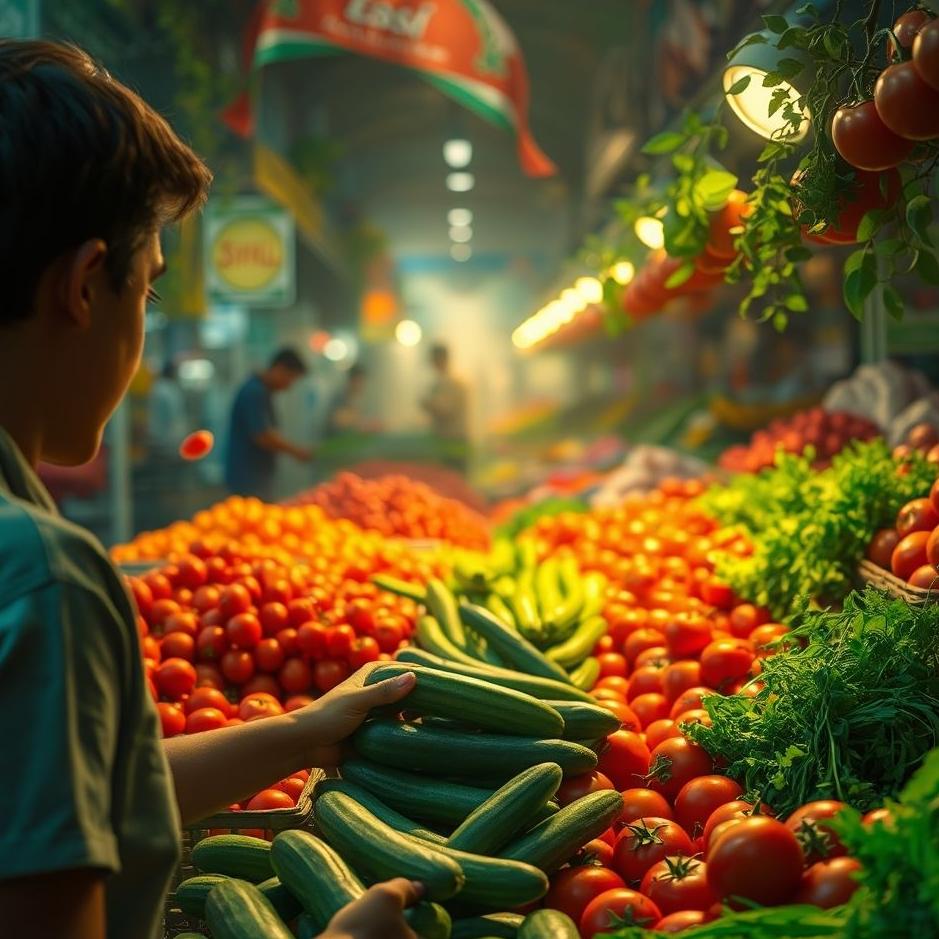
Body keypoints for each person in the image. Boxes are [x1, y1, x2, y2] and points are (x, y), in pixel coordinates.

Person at [0, 39, 421, 939]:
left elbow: (89, 795)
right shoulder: (43, 578)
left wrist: (305, 729)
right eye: (148, 293)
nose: (143, 329)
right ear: (85, 287)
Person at [224, 347, 312, 501]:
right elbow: (262, 436)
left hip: (255, 475)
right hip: (249, 476)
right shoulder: (254, 392)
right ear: (279, 369)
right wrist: (296, 451)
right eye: (291, 378)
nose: (289, 385)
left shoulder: (262, 391)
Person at [420, 343, 469, 471]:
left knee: (453, 475)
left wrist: (428, 404)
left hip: (454, 440)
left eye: (433, 360)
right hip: (446, 439)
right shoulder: (442, 382)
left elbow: (446, 410)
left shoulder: (452, 382)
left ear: (440, 359)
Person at [324, 363, 381, 438]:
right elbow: (338, 420)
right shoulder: (339, 398)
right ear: (350, 381)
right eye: (357, 381)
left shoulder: (364, 400)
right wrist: (358, 422)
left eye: (361, 381)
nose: (359, 385)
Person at [148, 360, 188, 458]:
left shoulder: (157, 387)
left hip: (156, 433)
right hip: (166, 437)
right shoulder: (168, 390)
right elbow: (173, 414)